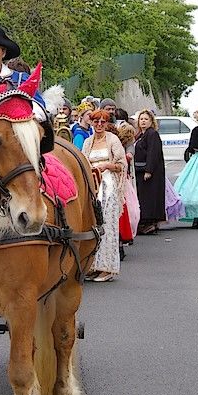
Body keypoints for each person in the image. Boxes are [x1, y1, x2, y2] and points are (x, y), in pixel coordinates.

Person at [82, 110, 127, 281]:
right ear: (92, 123)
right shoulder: (88, 142)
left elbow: (122, 163)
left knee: (108, 226)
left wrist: (108, 165)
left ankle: (108, 268)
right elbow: (83, 161)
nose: (99, 125)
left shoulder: (112, 140)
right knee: (93, 226)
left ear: (107, 124)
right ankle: (94, 265)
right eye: (96, 122)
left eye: (102, 122)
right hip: (93, 186)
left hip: (109, 187)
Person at [134, 109, 166, 234]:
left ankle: (149, 223)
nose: (143, 121)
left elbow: (153, 152)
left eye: (146, 119)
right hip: (140, 170)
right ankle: (146, 222)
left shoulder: (152, 134)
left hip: (149, 172)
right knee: (144, 196)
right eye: (141, 119)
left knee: (149, 197)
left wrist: (149, 170)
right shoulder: (141, 134)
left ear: (151, 121)